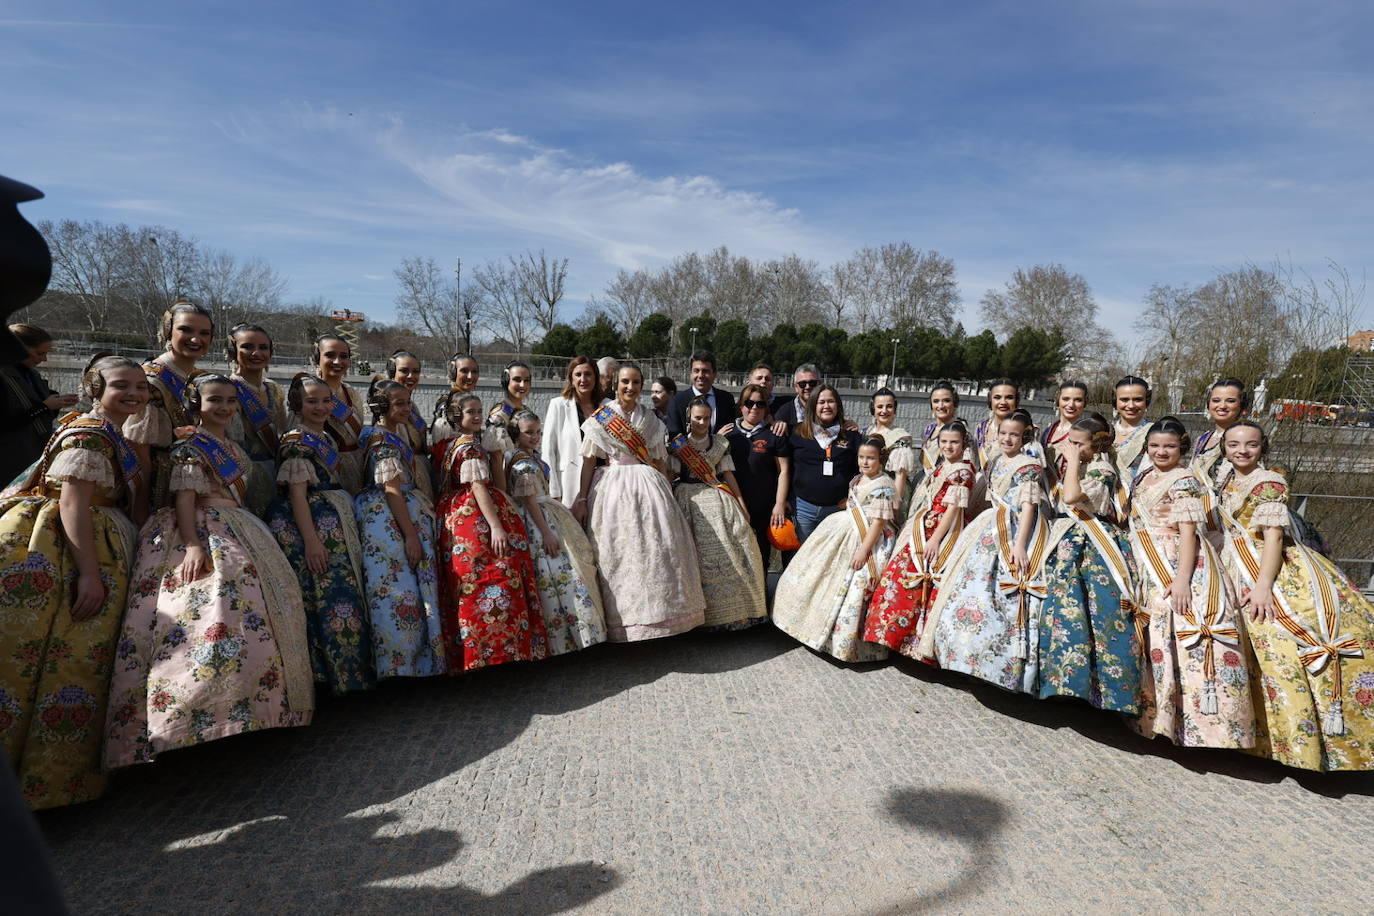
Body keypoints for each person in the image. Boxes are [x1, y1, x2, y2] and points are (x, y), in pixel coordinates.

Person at [105, 375, 313, 768]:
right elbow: (184, 498)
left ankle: (250, 712)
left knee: (254, 619)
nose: (224, 407)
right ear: (196, 403)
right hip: (202, 532)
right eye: (215, 399)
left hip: (239, 527)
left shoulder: (231, 446)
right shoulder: (189, 445)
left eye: (231, 401)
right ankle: (196, 721)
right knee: (208, 617)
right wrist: (194, 544)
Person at [0, 354, 147, 809]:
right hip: (60, 553)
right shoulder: (88, 433)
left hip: (90, 546)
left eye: (140, 387)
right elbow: (71, 506)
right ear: (95, 387)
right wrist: (88, 573)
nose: (135, 394)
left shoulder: (110, 433)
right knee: (59, 658)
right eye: (122, 385)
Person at [1215, 421, 1374, 770]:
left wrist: (1262, 585)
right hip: (1234, 561)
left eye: (1251, 445)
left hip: (1268, 568)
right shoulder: (1226, 476)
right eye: (1235, 444)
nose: (1242, 451)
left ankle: (1303, 745)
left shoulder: (1270, 483)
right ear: (1225, 447)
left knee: (1277, 644)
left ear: (1263, 448)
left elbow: (1272, 538)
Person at [1126, 416, 1255, 749]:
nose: (1160, 451)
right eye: (1154, 446)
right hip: (1143, 554)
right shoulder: (1144, 475)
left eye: (1168, 446)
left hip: (1173, 560)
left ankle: (1180, 724)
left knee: (1170, 632)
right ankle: (1148, 714)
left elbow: (1189, 534)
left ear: (1181, 447)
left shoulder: (1185, 481)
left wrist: (1182, 580)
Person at [920, 409, 1050, 692]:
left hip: (1014, 530)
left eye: (1014, 435)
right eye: (1003, 433)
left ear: (1024, 436)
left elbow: (1029, 507)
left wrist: (1019, 544)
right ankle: (963, 657)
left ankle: (998, 664)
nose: (1007, 439)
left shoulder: (1029, 466)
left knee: (1003, 595)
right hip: (987, 526)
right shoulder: (994, 461)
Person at [574, 363, 706, 641]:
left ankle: (660, 618)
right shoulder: (602, 418)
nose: (630, 388)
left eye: (635, 383)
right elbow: (588, 462)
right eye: (625, 382)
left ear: (641, 385)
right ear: (615, 384)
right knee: (618, 552)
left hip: (649, 487)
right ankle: (622, 622)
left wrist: (668, 496)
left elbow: (659, 462)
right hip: (612, 488)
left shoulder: (652, 420)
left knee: (657, 550)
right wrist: (582, 497)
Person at [266, 374, 375, 695]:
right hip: (311, 528)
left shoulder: (324, 437)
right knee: (323, 597)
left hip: (332, 523)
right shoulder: (296, 442)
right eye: (312, 401)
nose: (320, 406)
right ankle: (328, 677)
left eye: (326, 400)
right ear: (298, 404)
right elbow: (297, 496)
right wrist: (312, 541)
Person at [1035, 413, 1142, 714]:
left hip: (1091, 545)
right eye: (1070, 442)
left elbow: (1071, 496)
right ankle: (1061, 681)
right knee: (1063, 610)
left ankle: (1095, 690)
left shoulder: (1101, 469)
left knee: (1091, 613)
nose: (1071, 448)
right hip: (1070, 540)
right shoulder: (1085, 465)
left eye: (1078, 443)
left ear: (1095, 446)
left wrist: (1070, 464)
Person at [433, 392, 548, 670]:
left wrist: (495, 455)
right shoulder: (469, 448)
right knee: (497, 573)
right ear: (456, 416)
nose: (476, 416)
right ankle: (498, 650)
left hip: (453, 514)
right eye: (470, 412)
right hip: (474, 517)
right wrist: (496, 526)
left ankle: (476, 652)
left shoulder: (450, 444)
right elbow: (478, 486)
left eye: (479, 411)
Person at [772, 436, 896, 662]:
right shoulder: (858, 479)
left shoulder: (884, 485)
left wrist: (863, 550)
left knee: (855, 588)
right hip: (843, 529)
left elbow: (879, 522)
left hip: (868, 538)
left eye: (870, 458)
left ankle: (845, 643)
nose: (865, 462)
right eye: (861, 457)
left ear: (881, 459)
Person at [353, 380, 445, 678]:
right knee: (399, 589)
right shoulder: (382, 441)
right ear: (381, 407)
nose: (407, 408)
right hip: (391, 520)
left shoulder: (389, 433)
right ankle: (402, 663)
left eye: (408, 402)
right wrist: (410, 535)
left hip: (395, 513)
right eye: (400, 404)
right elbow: (392, 491)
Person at [864, 421, 974, 657]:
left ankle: (919, 644)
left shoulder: (962, 471)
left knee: (926, 580)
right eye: (944, 441)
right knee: (899, 576)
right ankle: (895, 636)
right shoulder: (942, 465)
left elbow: (953, 509)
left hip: (945, 530)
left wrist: (935, 539)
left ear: (964, 443)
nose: (948, 446)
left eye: (954, 442)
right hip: (924, 524)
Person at [504, 410, 607, 654]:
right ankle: (563, 638)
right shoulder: (521, 462)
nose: (535, 436)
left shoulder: (528, 457)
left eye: (537, 431)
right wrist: (547, 534)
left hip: (548, 512)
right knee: (557, 573)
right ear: (516, 434)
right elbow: (529, 501)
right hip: (538, 521)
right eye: (529, 432)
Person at [669, 397, 767, 630]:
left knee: (736, 544)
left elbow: (728, 475)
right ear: (689, 418)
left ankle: (737, 612)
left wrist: (741, 503)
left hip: (718, 495)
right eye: (697, 418)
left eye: (706, 417)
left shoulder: (720, 443)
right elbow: (670, 475)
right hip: (687, 498)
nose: (702, 422)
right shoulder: (678, 444)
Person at [124, 299, 212, 518]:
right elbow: (139, 452)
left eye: (204, 333)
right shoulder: (150, 380)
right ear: (167, 331)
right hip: (159, 488)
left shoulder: (200, 378)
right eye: (186, 330)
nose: (196, 339)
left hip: (192, 482)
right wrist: (141, 505)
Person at [723, 383, 792, 569]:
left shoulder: (774, 435)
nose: (754, 408)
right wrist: (717, 441)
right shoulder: (727, 434)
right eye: (749, 403)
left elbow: (783, 471)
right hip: (733, 507)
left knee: (761, 559)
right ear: (741, 406)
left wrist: (779, 504)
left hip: (763, 508)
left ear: (766, 408)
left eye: (760, 404)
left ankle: (762, 597)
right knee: (733, 559)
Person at [225, 323, 288, 516]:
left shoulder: (274, 389)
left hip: (275, 471)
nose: (256, 353)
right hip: (241, 476)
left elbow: (281, 432)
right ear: (232, 350)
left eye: (263, 347)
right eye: (247, 347)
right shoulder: (227, 389)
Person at [1, 323, 75, 487]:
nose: (44, 359)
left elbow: (41, 409)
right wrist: (43, 407)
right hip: (9, 461)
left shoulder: (31, 373)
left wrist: (58, 402)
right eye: (39, 353)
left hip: (32, 456)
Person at [787, 384, 863, 543]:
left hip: (837, 511)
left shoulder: (851, 435)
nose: (826, 406)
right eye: (821, 402)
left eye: (831, 401)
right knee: (803, 558)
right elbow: (785, 469)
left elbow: (861, 472)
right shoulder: (797, 432)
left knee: (831, 561)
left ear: (838, 406)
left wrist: (851, 498)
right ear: (813, 405)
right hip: (803, 510)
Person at [306, 334, 366, 496]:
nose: (338, 362)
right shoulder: (306, 391)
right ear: (317, 358)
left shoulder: (351, 393)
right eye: (330, 355)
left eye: (343, 356)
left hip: (356, 467)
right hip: (324, 469)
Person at [543, 356, 604, 508]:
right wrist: (554, 491)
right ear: (571, 378)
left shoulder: (607, 407)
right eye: (578, 375)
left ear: (596, 377)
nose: (583, 379)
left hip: (603, 483)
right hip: (570, 484)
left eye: (588, 374)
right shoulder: (558, 405)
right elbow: (548, 450)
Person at [386, 349, 434, 501]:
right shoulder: (386, 408)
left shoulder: (413, 406)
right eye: (404, 371)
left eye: (415, 371)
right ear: (392, 372)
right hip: (401, 481)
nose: (411, 376)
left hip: (420, 471)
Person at [483, 360, 533, 493]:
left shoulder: (525, 410)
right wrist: (502, 493)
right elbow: (495, 457)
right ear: (506, 381)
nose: (522, 385)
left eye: (526, 380)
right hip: (509, 480)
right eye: (517, 379)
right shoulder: (499, 414)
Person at [865, 387, 917, 514]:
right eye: (880, 406)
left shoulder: (900, 436)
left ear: (894, 410)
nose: (884, 410)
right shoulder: (866, 432)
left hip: (889, 492)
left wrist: (895, 506)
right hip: (866, 487)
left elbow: (900, 475)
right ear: (873, 409)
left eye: (889, 406)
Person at [1190, 377, 1248, 490]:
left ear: (1241, 405)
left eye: (1230, 401)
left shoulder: (1246, 439)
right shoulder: (1203, 439)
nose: (1222, 406)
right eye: (1216, 400)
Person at [666, 349, 739, 437]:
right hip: (686, 450)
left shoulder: (726, 399)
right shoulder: (677, 402)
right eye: (696, 371)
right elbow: (674, 440)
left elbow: (731, 432)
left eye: (705, 371)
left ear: (714, 374)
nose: (700, 375)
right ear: (690, 373)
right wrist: (714, 442)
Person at [1040, 379, 1089, 486]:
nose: (1071, 404)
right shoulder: (1048, 432)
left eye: (1078, 400)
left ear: (1085, 403)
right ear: (1058, 400)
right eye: (1066, 399)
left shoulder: (1088, 434)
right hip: (1046, 492)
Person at [914, 381, 962, 486]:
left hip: (948, 485)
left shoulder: (961, 430)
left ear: (954, 403)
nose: (940, 405)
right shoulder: (929, 429)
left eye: (946, 401)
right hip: (924, 484)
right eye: (936, 401)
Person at [429, 352, 481, 444]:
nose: (470, 376)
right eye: (464, 371)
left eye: (474, 371)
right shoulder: (448, 404)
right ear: (453, 374)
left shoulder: (470, 401)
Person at [1111, 375, 1153, 486]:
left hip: (1138, 498)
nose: (1131, 405)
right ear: (1115, 401)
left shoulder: (1154, 433)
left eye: (1138, 400)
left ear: (1146, 402)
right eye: (1124, 399)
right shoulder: (1104, 430)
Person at [973, 379, 1019, 470]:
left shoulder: (1026, 430)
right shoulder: (981, 428)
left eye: (1009, 397)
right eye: (997, 397)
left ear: (1016, 400)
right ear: (990, 399)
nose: (1003, 402)